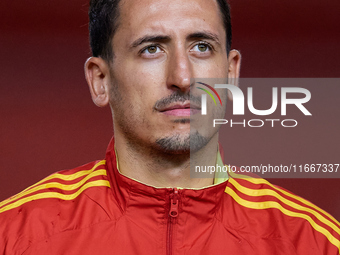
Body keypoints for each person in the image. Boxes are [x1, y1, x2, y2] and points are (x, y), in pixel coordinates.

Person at [0, 0, 339, 254]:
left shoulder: (313, 242)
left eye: (202, 47)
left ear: (232, 73)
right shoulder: (15, 235)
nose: (183, 77)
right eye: (151, 49)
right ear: (100, 80)